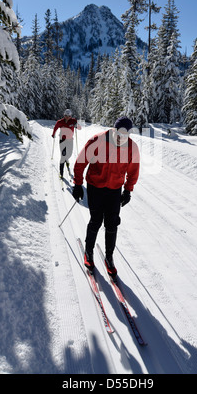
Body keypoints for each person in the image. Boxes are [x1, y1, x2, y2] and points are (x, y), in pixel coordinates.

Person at [72, 116, 140, 278]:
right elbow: (81, 162)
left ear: (129, 134)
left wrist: (128, 190)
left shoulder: (132, 148)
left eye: (124, 135)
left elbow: (133, 171)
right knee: (96, 220)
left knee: (112, 224)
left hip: (114, 189)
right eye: (118, 133)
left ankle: (109, 257)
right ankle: (89, 253)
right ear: (114, 129)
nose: (120, 137)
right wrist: (77, 184)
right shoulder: (98, 140)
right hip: (96, 187)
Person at [52, 109, 81, 178]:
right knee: (63, 155)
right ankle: (61, 173)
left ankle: (67, 161)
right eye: (66, 115)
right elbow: (55, 128)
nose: (67, 117)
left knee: (69, 154)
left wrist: (76, 125)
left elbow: (79, 128)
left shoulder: (73, 121)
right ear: (64, 115)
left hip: (70, 140)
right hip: (62, 140)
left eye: (69, 116)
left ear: (71, 116)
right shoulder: (60, 122)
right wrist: (53, 134)